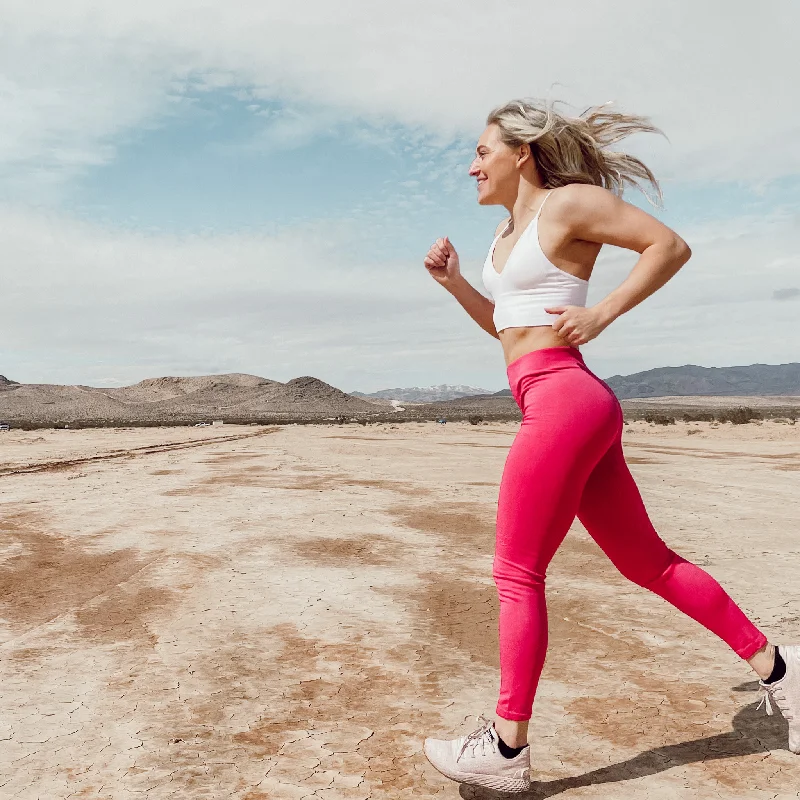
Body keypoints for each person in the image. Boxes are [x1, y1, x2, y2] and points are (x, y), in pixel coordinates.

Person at [421, 99, 799, 794]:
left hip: (566, 400)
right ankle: (782, 670)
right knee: (648, 563)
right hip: (558, 398)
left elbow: (669, 246)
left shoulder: (569, 206)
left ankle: (507, 750)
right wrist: (454, 286)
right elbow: (508, 331)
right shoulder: (505, 237)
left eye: (482, 151)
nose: (471, 165)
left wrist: (602, 312)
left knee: (516, 574)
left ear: (521, 153)